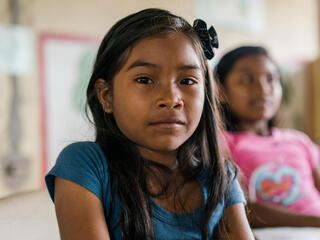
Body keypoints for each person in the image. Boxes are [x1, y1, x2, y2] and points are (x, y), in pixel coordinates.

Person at [45, 8, 254, 240]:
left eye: (187, 80)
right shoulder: (86, 165)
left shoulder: (220, 177)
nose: (171, 99)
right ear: (106, 96)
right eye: (144, 79)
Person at [215, 45, 320, 228]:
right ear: (221, 91)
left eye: (271, 79)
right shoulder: (222, 143)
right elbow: (240, 209)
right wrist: (313, 222)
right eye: (247, 79)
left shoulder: (299, 140)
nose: (263, 88)